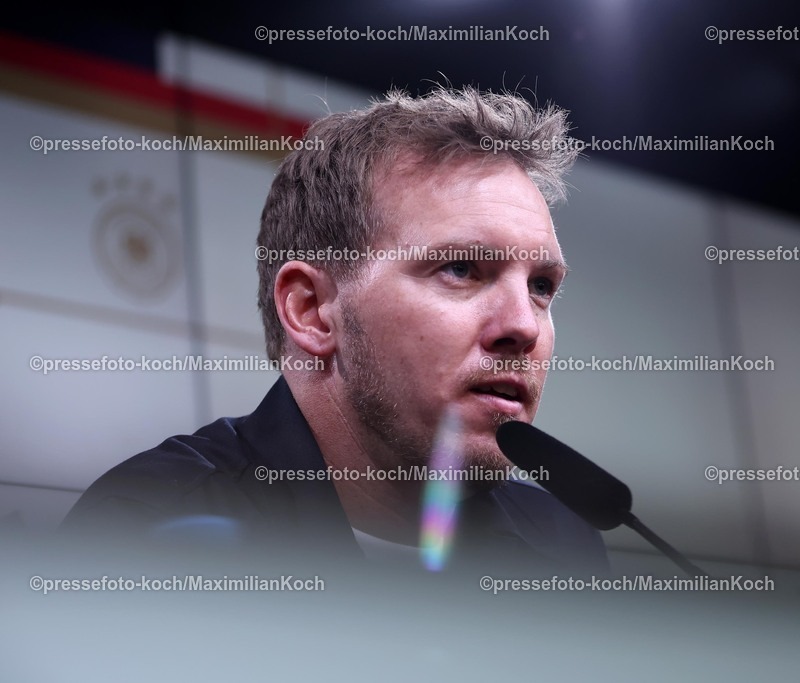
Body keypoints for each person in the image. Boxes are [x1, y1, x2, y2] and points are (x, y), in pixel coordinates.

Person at [63, 86, 608, 574]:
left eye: (541, 286)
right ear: (312, 310)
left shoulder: (565, 544)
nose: (522, 326)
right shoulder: (149, 527)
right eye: (461, 269)